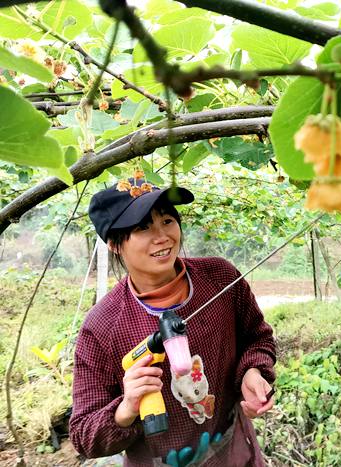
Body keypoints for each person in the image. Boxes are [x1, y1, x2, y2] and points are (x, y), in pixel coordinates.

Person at [69, 178, 276, 466]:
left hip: (236, 455)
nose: (162, 236)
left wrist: (253, 371)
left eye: (167, 220)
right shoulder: (102, 325)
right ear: (115, 244)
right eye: (142, 228)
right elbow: (83, 434)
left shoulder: (220, 279)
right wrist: (127, 407)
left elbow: (258, 338)